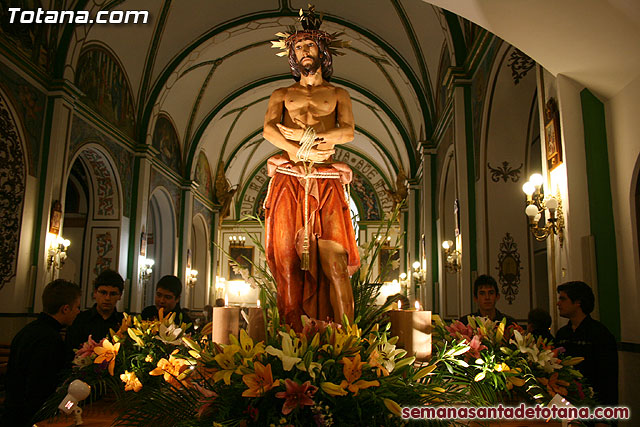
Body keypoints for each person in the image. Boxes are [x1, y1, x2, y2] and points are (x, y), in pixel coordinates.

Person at [262, 6, 360, 331]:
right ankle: (291, 339)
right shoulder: (282, 93)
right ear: (292, 54)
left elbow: (347, 131)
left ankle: (349, 341)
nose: (305, 52)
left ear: (322, 50)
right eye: (299, 47)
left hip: (326, 179)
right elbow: (269, 130)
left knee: (335, 263)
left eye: (310, 46)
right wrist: (294, 149)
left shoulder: (337, 93)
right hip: (289, 179)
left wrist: (311, 137)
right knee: (289, 262)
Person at [2, 279, 81, 427]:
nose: (78, 311)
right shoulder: (50, 339)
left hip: (11, 411)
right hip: (30, 418)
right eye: (77, 307)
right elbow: (41, 388)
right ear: (65, 309)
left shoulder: (27, 330)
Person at [555, 281, 618, 412]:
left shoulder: (599, 334)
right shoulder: (562, 334)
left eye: (563, 299)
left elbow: (608, 380)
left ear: (578, 302)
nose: (558, 303)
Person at [66, 269, 124, 352]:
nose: (107, 298)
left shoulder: (123, 322)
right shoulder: (80, 320)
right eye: (103, 293)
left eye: (113, 294)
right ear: (95, 293)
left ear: (120, 296)